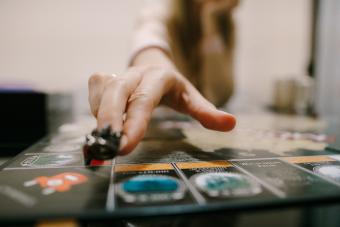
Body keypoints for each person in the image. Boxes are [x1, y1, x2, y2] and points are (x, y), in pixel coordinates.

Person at [88, 0, 238, 155]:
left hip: (202, 133)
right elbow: (148, 38)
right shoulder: (159, 10)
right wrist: (153, 66)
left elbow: (221, 93)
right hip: (161, 130)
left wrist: (209, 24)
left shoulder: (224, 22)